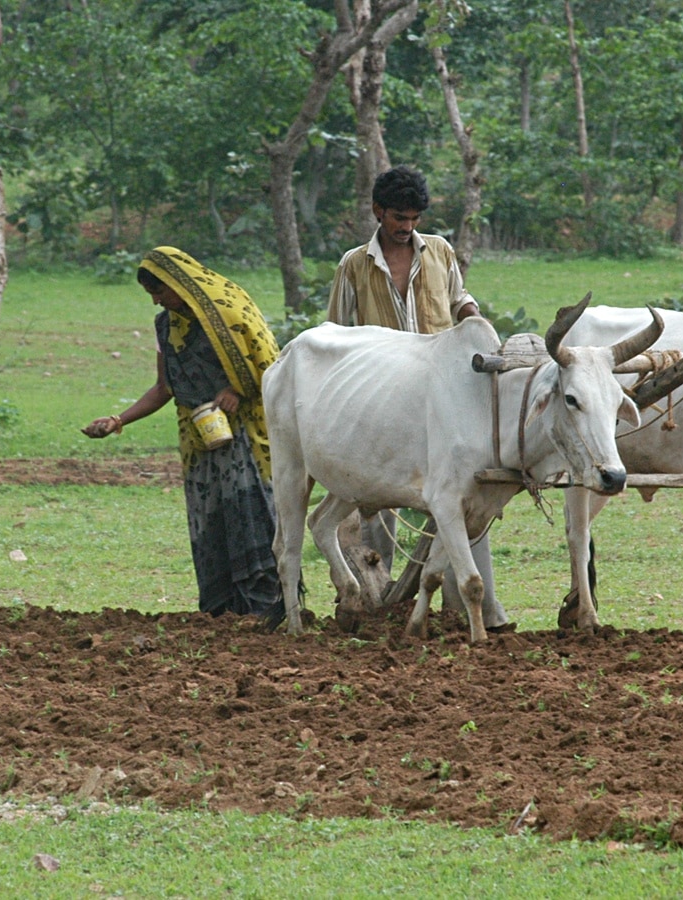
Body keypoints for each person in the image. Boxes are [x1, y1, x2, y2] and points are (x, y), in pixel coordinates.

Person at [325, 165, 511, 633]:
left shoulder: (441, 253)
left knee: (464, 496)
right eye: (397, 218)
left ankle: (474, 610)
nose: (405, 227)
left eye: (412, 219)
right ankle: (377, 602)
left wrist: (478, 325)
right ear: (377, 212)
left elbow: (459, 300)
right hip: (384, 394)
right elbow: (338, 334)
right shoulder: (354, 265)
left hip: (441, 393)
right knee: (377, 498)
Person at [83, 246, 284, 629]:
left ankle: (266, 608)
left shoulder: (229, 310)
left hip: (244, 437)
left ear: (180, 284)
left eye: (160, 292)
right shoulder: (166, 326)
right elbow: (164, 388)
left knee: (251, 514)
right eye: (152, 296)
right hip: (199, 441)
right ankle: (221, 613)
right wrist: (117, 420)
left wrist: (237, 390)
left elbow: (271, 365)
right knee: (211, 521)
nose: (158, 301)